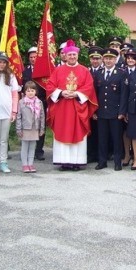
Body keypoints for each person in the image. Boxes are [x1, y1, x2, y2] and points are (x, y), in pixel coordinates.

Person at [46, 40, 98, 171]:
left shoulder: (84, 70)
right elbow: (50, 86)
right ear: (65, 55)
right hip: (62, 108)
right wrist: (61, 92)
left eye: (74, 55)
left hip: (77, 108)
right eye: (69, 55)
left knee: (78, 132)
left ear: (77, 55)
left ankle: (76, 162)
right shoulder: (58, 70)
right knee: (62, 131)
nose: (72, 57)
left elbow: (89, 87)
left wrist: (76, 94)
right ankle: (63, 161)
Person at [93, 48, 128, 170]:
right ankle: (102, 161)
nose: (108, 61)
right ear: (103, 59)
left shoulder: (121, 73)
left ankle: (118, 162)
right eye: (106, 58)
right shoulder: (98, 73)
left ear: (115, 60)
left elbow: (124, 94)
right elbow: (95, 94)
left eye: (111, 58)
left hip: (115, 113)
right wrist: (94, 111)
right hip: (102, 112)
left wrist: (122, 112)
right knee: (102, 138)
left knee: (116, 139)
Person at [21, 46, 47, 161]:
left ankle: (39, 150)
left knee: (40, 125)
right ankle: (27, 149)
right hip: (27, 103)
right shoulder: (25, 71)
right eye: (31, 57)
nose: (33, 59)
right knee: (28, 125)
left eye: (35, 57)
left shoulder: (44, 70)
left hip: (41, 101)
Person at [16, 81, 46, 173]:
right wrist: (18, 129)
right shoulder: (21, 102)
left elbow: (42, 116)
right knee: (25, 146)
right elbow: (19, 117)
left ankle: (30, 163)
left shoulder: (39, 102)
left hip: (35, 128)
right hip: (25, 128)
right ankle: (25, 164)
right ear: (25, 92)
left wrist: (42, 128)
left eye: (32, 90)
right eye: (28, 91)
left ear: (35, 91)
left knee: (33, 147)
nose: (30, 93)